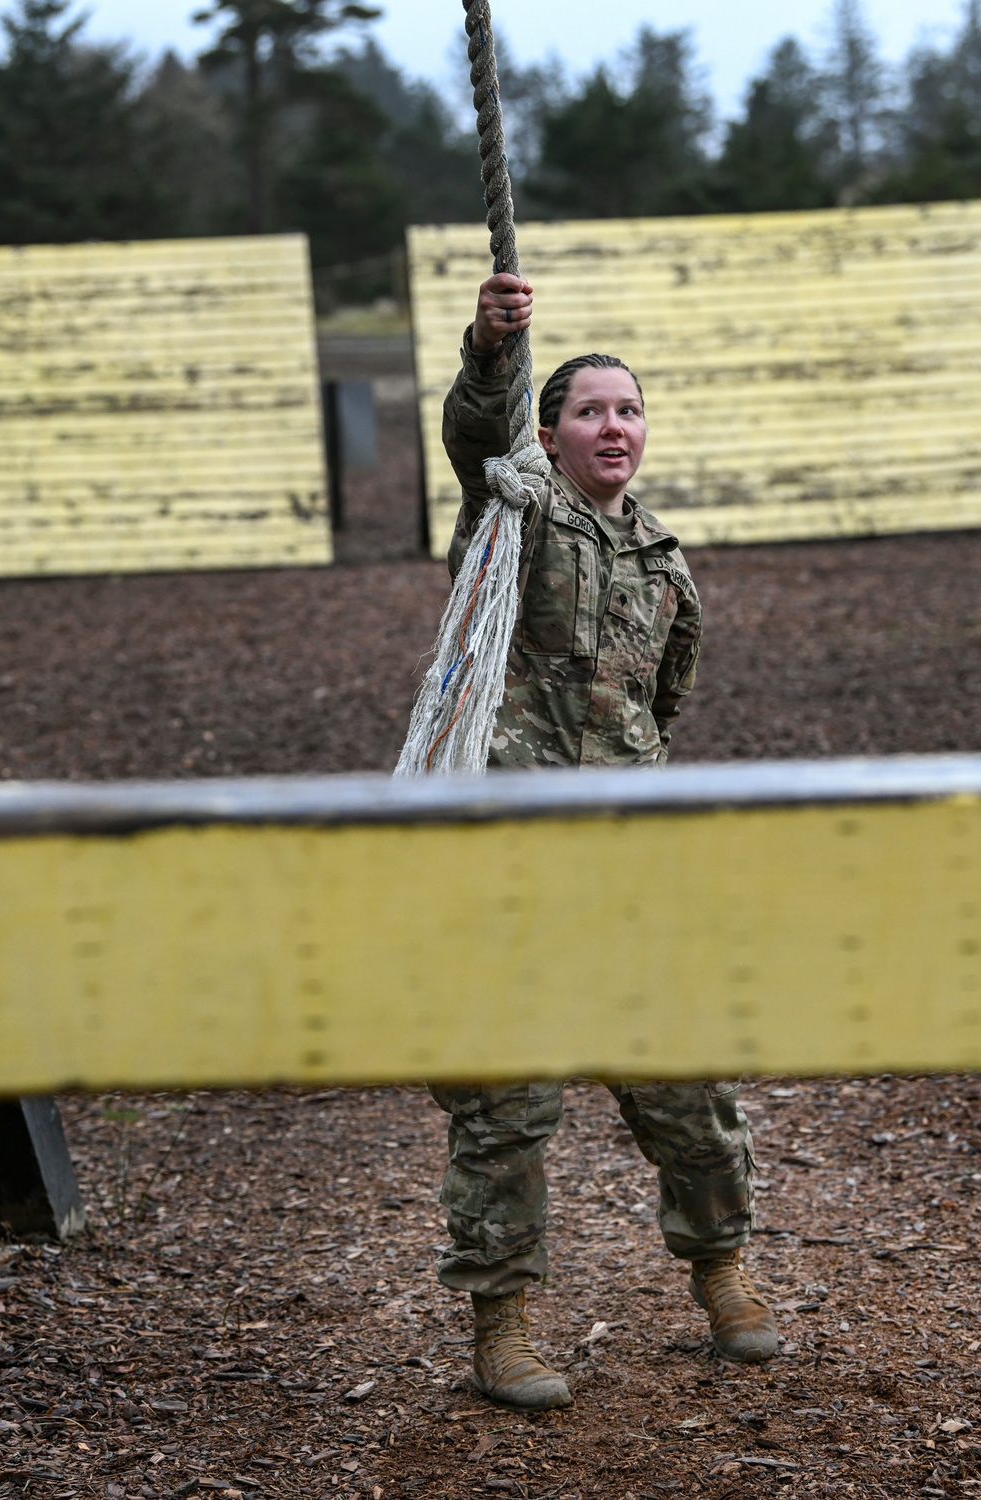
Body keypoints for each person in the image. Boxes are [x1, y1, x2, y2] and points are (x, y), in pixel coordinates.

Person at [428, 272, 779, 1411]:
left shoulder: (667, 565)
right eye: (589, 410)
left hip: (628, 866)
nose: (612, 426)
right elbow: (479, 432)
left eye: (628, 411)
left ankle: (723, 1274)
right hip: (510, 866)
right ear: (552, 433)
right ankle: (505, 1323)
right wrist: (493, 349)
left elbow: (658, 711)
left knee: (685, 1086)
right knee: (508, 1104)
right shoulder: (512, 512)